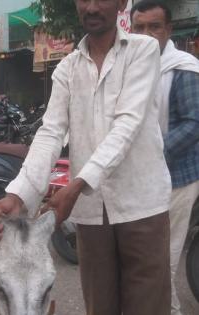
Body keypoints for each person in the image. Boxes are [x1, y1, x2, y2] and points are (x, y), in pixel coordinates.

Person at [0, 0, 172, 314]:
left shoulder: (144, 51)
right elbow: (50, 133)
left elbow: (127, 124)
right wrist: (17, 195)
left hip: (142, 205)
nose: (92, 7)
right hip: (90, 212)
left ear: (121, 3)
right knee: (99, 306)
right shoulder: (67, 68)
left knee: (148, 306)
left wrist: (76, 185)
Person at [131, 1, 199, 314]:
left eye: (154, 27)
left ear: (168, 30)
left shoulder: (183, 68)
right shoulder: (132, 67)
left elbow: (193, 123)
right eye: (139, 27)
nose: (146, 34)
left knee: (164, 258)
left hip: (178, 178)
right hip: (142, 179)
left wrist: (152, 156)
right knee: (146, 258)